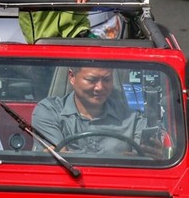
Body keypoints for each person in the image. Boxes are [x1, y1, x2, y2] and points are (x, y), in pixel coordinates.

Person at [31, 67, 162, 157]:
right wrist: (120, 159)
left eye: (106, 80)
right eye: (91, 80)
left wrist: (153, 155)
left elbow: (140, 164)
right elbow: (60, 160)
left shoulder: (133, 116)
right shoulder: (49, 111)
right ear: (72, 77)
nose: (100, 88)